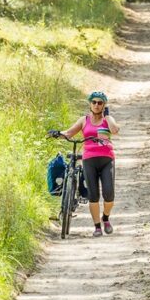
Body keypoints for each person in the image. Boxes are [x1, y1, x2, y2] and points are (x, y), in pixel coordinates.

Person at [49, 91, 119, 237]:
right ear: (90, 104)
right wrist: (58, 133)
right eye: (94, 102)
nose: (96, 105)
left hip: (107, 159)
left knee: (109, 194)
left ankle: (105, 218)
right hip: (89, 160)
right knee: (93, 195)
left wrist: (107, 117)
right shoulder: (84, 120)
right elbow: (69, 133)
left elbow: (114, 130)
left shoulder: (108, 119)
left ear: (104, 105)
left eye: (100, 103)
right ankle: (97, 227)